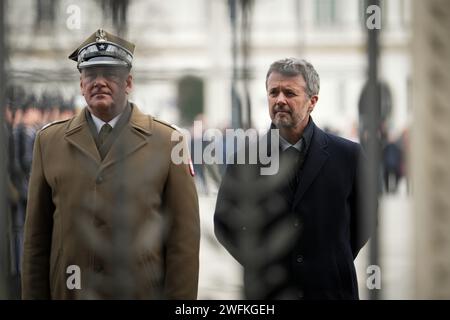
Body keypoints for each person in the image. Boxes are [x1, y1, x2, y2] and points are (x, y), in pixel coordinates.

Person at [22, 29, 200, 299]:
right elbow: (36, 241)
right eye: (91, 74)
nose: (99, 82)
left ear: (128, 83)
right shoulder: (49, 142)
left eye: (110, 74)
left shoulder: (168, 141)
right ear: (81, 84)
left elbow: (183, 243)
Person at [214, 58, 372, 299]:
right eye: (273, 92)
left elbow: (367, 218)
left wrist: (333, 258)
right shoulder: (245, 159)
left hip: (331, 290)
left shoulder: (349, 156)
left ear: (312, 102)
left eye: (289, 93)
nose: (279, 100)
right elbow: (224, 223)